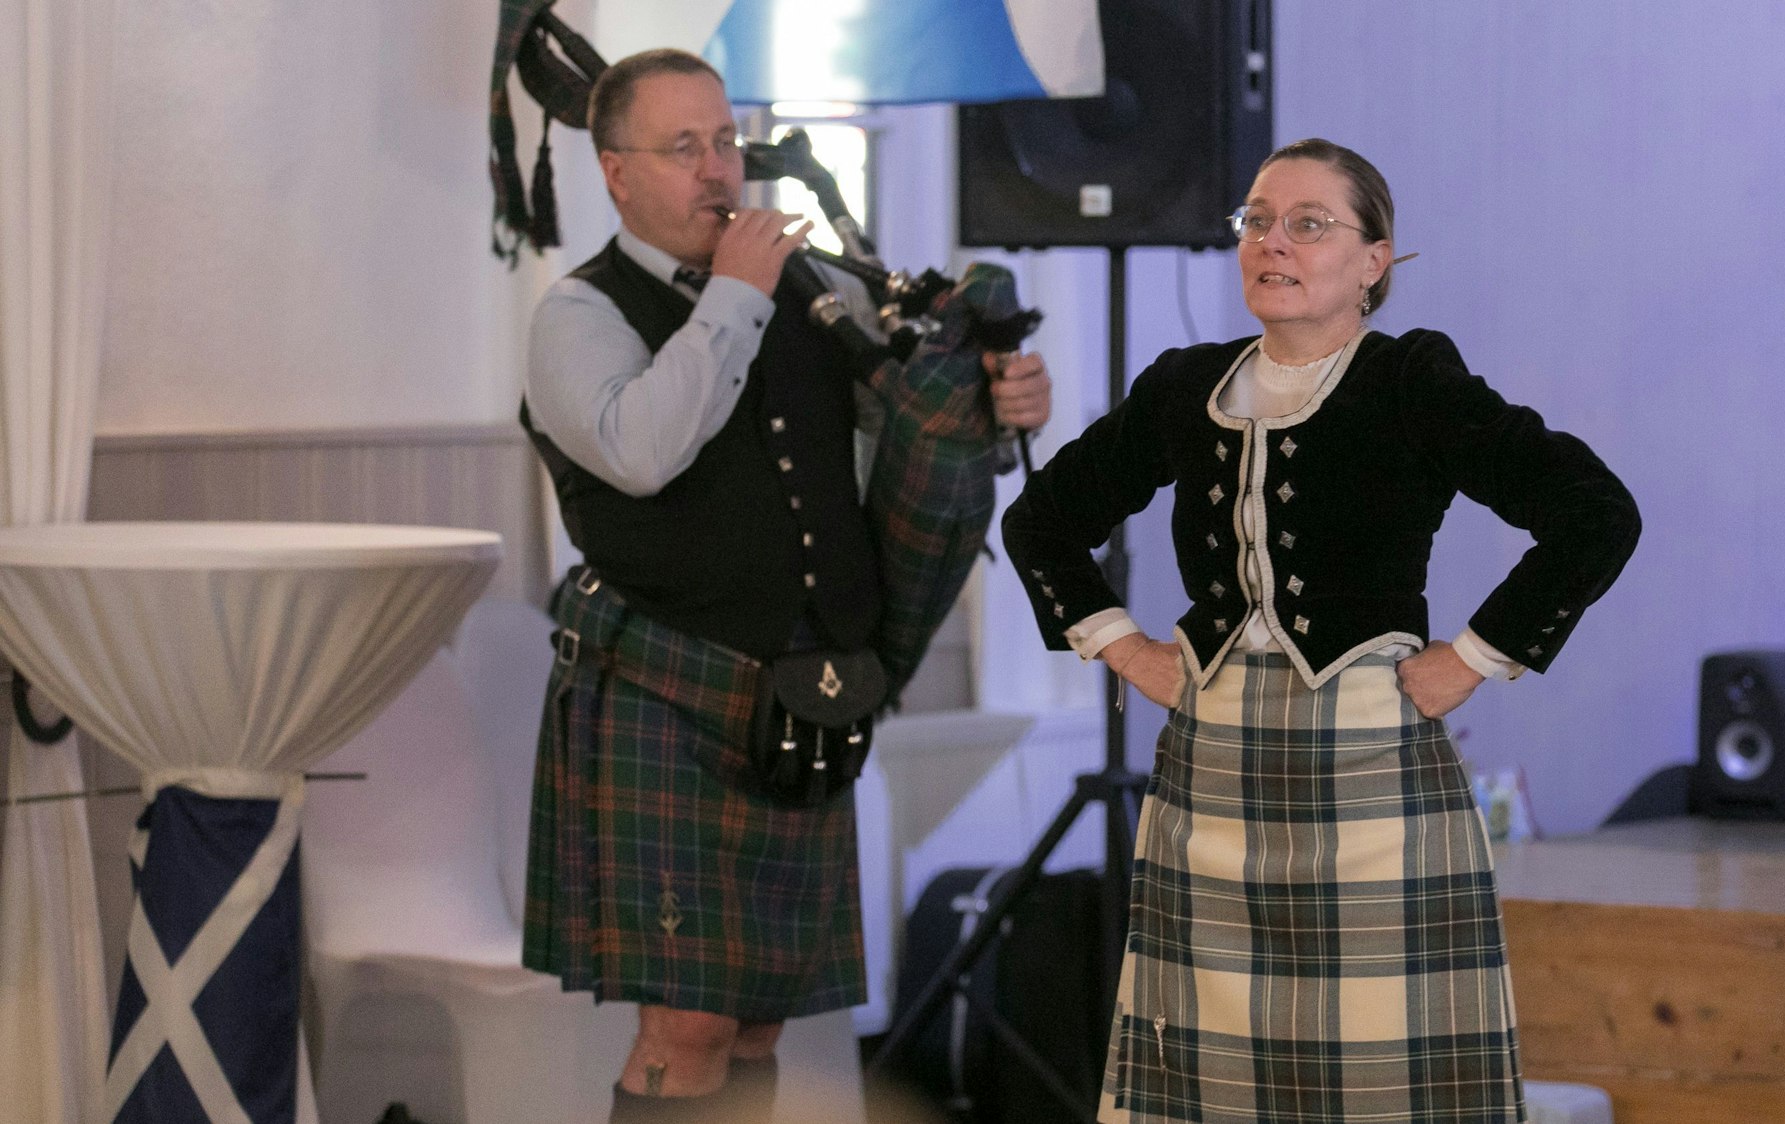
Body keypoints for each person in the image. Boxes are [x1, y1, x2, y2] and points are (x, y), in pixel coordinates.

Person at [1002, 138, 1640, 1123]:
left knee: (1381, 1080)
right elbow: (1040, 521)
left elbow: (1595, 512)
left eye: (1308, 223)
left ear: (1373, 261)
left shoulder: (1409, 382)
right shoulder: (1185, 387)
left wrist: (1468, 658)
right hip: (1209, 774)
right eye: (1257, 220)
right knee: (1211, 1083)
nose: (1274, 241)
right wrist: (1123, 647)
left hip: (1370, 767)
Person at [518, 48, 1051, 1122]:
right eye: (682, 148)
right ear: (616, 173)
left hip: (801, 696)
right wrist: (736, 295)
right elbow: (642, 448)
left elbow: (912, 423)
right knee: (689, 1021)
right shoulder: (577, 314)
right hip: (660, 687)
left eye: (725, 140)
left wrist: (1002, 404)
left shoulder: (812, 289)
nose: (718, 170)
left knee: (758, 1013)